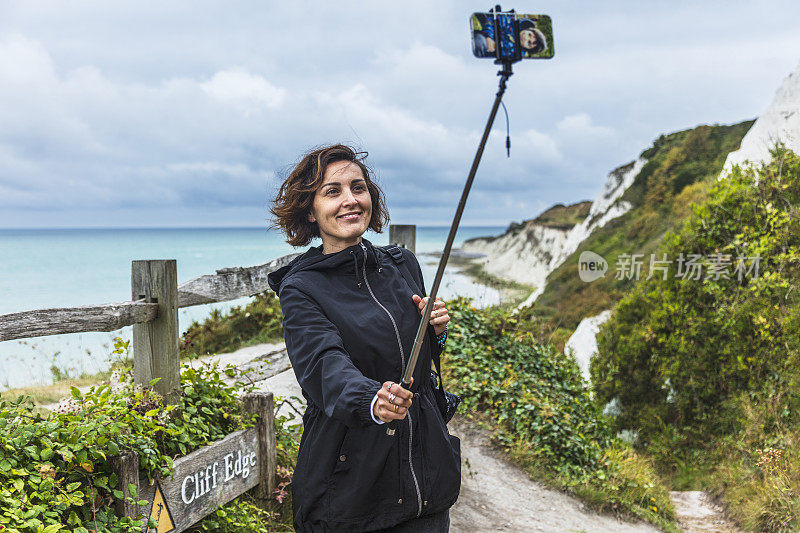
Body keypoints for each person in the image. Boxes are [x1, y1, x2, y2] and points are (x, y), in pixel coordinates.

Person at [268, 144, 461, 532]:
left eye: (358, 187)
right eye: (332, 191)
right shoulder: (302, 288)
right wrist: (371, 400)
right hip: (350, 495)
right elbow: (324, 365)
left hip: (426, 488)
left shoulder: (401, 264)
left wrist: (434, 333)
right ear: (310, 210)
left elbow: (418, 363)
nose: (350, 200)